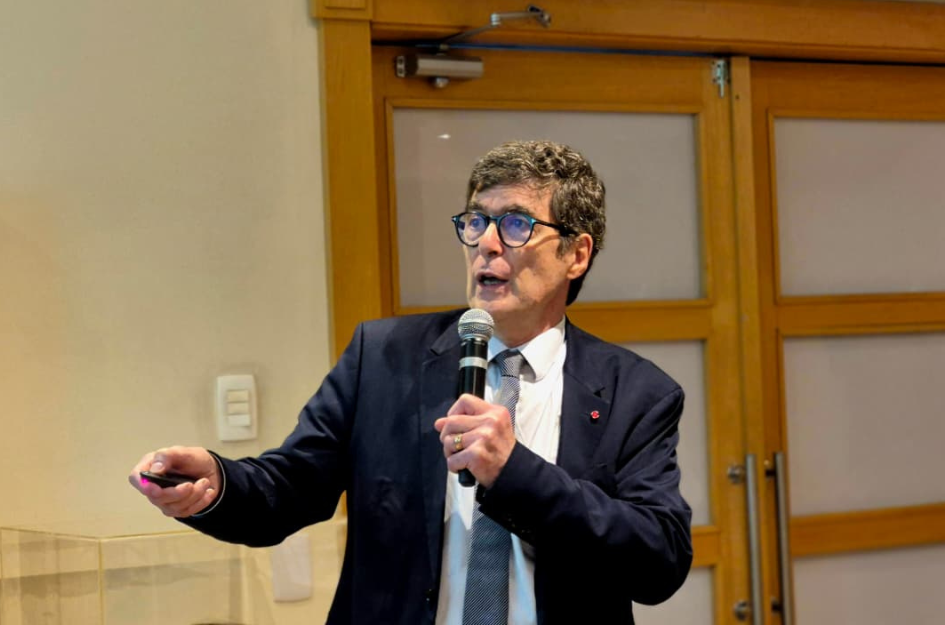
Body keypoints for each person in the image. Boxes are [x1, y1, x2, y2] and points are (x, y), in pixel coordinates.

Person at [129, 140, 692, 624]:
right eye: (476, 222)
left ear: (577, 254)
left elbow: (658, 561)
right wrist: (217, 485)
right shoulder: (383, 357)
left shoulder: (635, 394)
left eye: (516, 224)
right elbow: (288, 488)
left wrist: (514, 472)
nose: (486, 243)